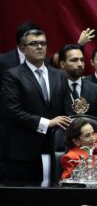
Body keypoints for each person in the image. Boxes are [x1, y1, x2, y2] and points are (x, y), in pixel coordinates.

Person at [0, 29, 71, 182]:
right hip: (22, 153)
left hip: (55, 151)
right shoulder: (12, 75)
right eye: (34, 43)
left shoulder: (59, 75)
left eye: (43, 43)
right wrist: (47, 123)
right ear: (23, 49)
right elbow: (13, 111)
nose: (39, 47)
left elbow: (66, 110)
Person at [59, 44, 97, 119]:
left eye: (82, 60)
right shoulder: (55, 89)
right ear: (62, 64)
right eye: (74, 60)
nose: (80, 64)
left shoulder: (96, 89)